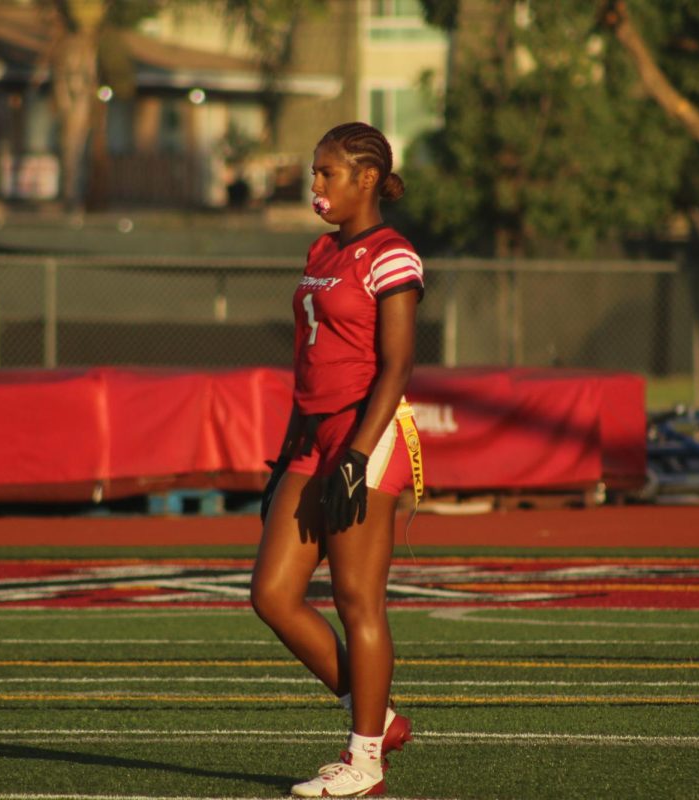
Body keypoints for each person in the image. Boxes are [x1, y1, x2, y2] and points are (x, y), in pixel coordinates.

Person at [250, 121, 424, 798]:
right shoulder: (320, 250)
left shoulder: (393, 254)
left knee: (357, 599)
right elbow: (309, 359)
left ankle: (365, 761)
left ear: (367, 180)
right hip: (314, 435)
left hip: (367, 433)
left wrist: (356, 452)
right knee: (271, 594)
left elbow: (398, 364)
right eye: (315, 172)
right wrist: (292, 445)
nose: (316, 185)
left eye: (327, 173)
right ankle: (378, 719)